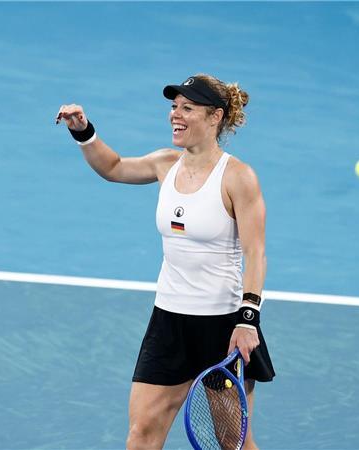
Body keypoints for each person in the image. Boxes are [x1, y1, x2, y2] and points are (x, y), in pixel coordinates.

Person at [57, 74, 275, 449]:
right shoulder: (165, 163)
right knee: (141, 435)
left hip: (221, 327)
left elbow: (256, 254)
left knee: (232, 443)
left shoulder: (238, 178)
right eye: (174, 107)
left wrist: (248, 319)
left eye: (187, 108)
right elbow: (113, 167)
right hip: (168, 322)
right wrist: (84, 132)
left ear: (215, 117)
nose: (176, 114)